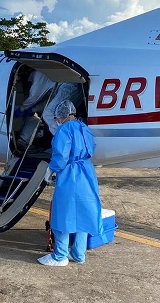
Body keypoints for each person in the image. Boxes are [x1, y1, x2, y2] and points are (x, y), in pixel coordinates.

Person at [38, 100, 103, 266]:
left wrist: (51, 169)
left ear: (62, 115)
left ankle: (59, 256)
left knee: (63, 214)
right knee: (82, 215)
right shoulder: (84, 128)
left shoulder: (64, 130)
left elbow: (61, 156)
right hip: (87, 173)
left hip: (70, 174)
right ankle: (79, 254)